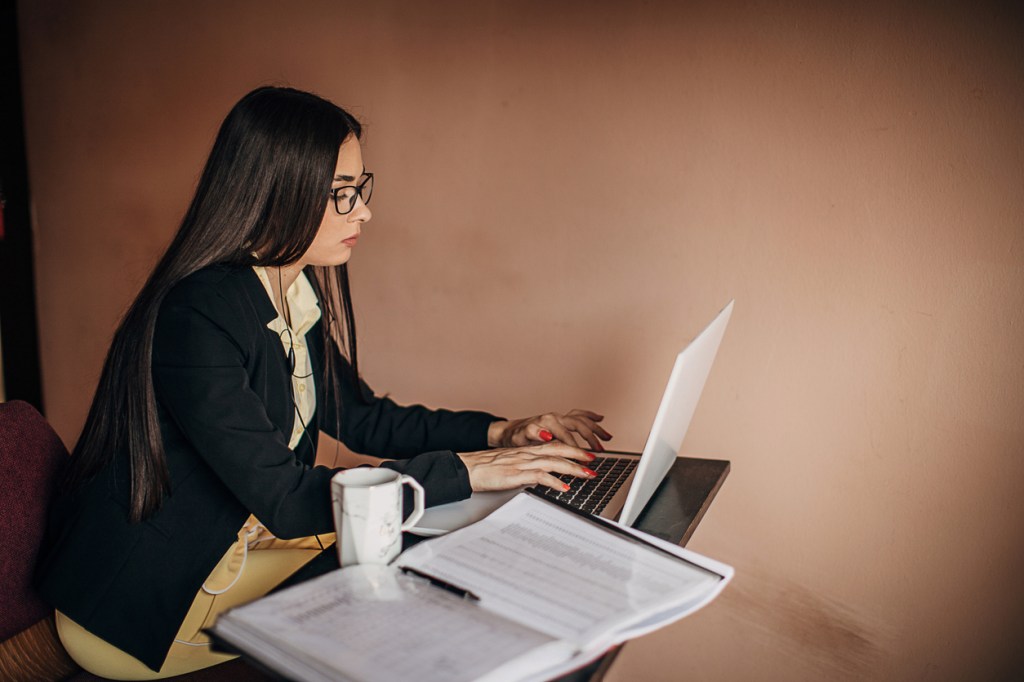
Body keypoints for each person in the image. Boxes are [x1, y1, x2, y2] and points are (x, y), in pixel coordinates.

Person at [34, 86, 613, 679]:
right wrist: (464, 469)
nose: (363, 211)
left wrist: (502, 434)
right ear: (275, 191)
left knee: (421, 557)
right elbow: (287, 500)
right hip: (148, 601)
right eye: (341, 194)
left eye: (360, 189)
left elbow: (362, 416)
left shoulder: (293, 289)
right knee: (401, 587)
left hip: (235, 547)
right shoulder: (198, 315)